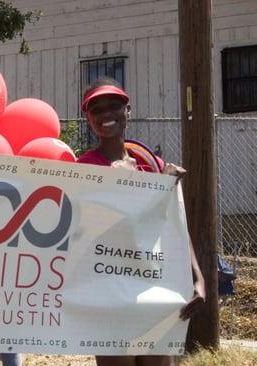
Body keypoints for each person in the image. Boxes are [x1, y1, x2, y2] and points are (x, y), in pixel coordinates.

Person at [77, 78, 206, 366]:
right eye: (95, 108)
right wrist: (134, 186)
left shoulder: (150, 162)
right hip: (111, 295)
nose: (105, 113)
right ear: (88, 119)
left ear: (128, 110)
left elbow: (173, 225)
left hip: (154, 290)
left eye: (114, 105)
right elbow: (88, 231)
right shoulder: (84, 168)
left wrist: (196, 277)